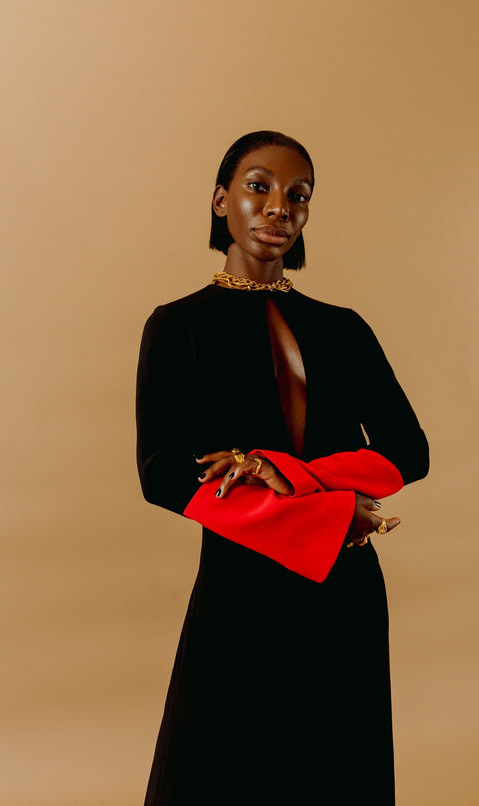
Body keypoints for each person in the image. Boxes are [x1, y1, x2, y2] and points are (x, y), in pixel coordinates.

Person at [136, 130, 429, 805]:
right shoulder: (177, 326)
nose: (278, 207)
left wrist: (287, 473)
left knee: (338, 768)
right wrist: (331, 514)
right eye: (258, 186)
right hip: (242, 585)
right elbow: (163, 472)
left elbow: (406, 451)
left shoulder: (343, 327)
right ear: (221, 201)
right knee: (222, 770)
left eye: (298, 195)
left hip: (344, 589)